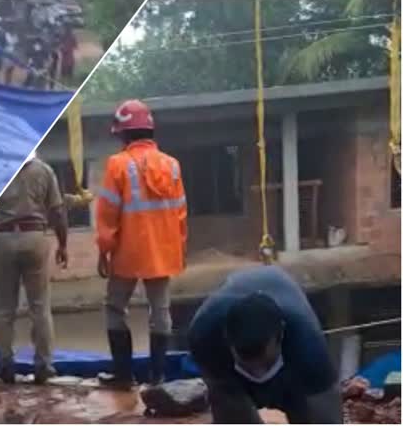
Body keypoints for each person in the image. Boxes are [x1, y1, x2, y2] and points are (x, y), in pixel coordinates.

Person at [96, 99, 187, 389]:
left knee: (114, 308)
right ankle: (157, 378)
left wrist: (104, 249)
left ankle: (123, 376)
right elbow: (181, 213)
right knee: (160, 312)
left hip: (127, 251)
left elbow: (108, 214)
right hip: (162, 251)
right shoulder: (172, 166)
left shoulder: (117, 165)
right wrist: (177, 248)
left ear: (124, 134)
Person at [188, 265, 341, 423]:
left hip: (282, 296)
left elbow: (328, 410)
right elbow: (222, 393)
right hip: (226, 357)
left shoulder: (307, 344)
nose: (258, 372)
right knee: (228, 400)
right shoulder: (204, 336)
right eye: (246, 364)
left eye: (266, 364)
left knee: (307, 411)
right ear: (227, 340)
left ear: (281, 334)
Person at [0, 151, 69, 384]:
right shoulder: (44, 171)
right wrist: (63, 244)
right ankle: (44, 364)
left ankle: (5, 363)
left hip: (5, 238)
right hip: (35, 236)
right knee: (40, 307)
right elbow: (57, 211)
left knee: (3, 309)